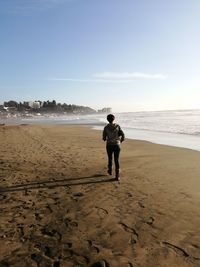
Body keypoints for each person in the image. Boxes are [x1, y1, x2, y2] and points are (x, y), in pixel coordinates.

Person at [103, 114, 125, 181]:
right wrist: (120, 140)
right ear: (114, 119)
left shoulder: (106, 127)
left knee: (110, 158)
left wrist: (106, 137)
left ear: (107, 119)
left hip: (109, 145)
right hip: (117, 145)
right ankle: (117, 176)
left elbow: (104, 138)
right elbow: (123, 135)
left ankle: (110, 169)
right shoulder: (117, 126)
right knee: (116, 160)